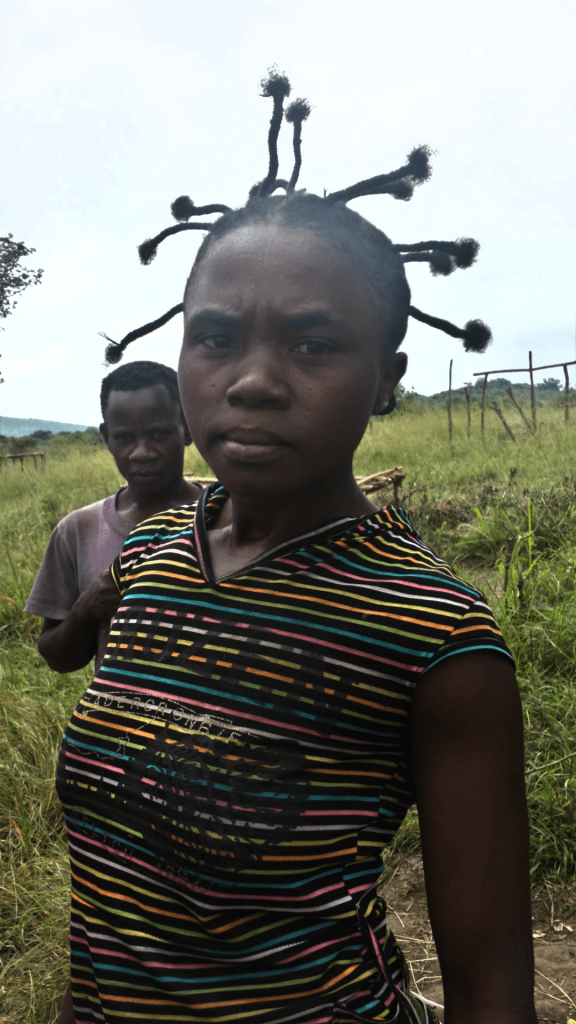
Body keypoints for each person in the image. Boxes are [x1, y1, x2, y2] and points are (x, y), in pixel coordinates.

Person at [55, 71, 536, 1024]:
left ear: (387, 378)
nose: (254, 382)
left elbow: (491, 991)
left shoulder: (437, 638)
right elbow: (116, 899)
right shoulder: (149, 561)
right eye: (217, 338)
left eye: (314, 346)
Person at [25, 360, 202, 674]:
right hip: (119, 719)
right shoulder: (77, 530)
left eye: (159, 433)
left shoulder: (230, 515)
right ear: (106, 436)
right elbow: (57, 658)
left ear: (187, 428)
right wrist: (85, 608)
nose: (141, 452)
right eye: (124, 437)